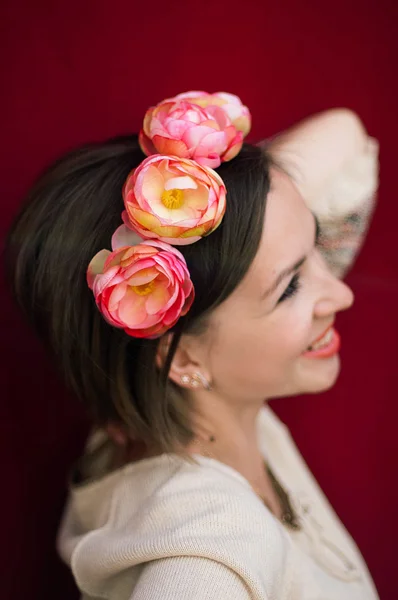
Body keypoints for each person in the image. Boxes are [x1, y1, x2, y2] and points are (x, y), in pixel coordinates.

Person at [5, 91, 380, 599]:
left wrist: (213, 194)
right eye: (291, 286)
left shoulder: (141, 407)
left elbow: (346, 135)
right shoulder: (208, 550)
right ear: (182, 357)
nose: (342, 291)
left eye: (315, 244)